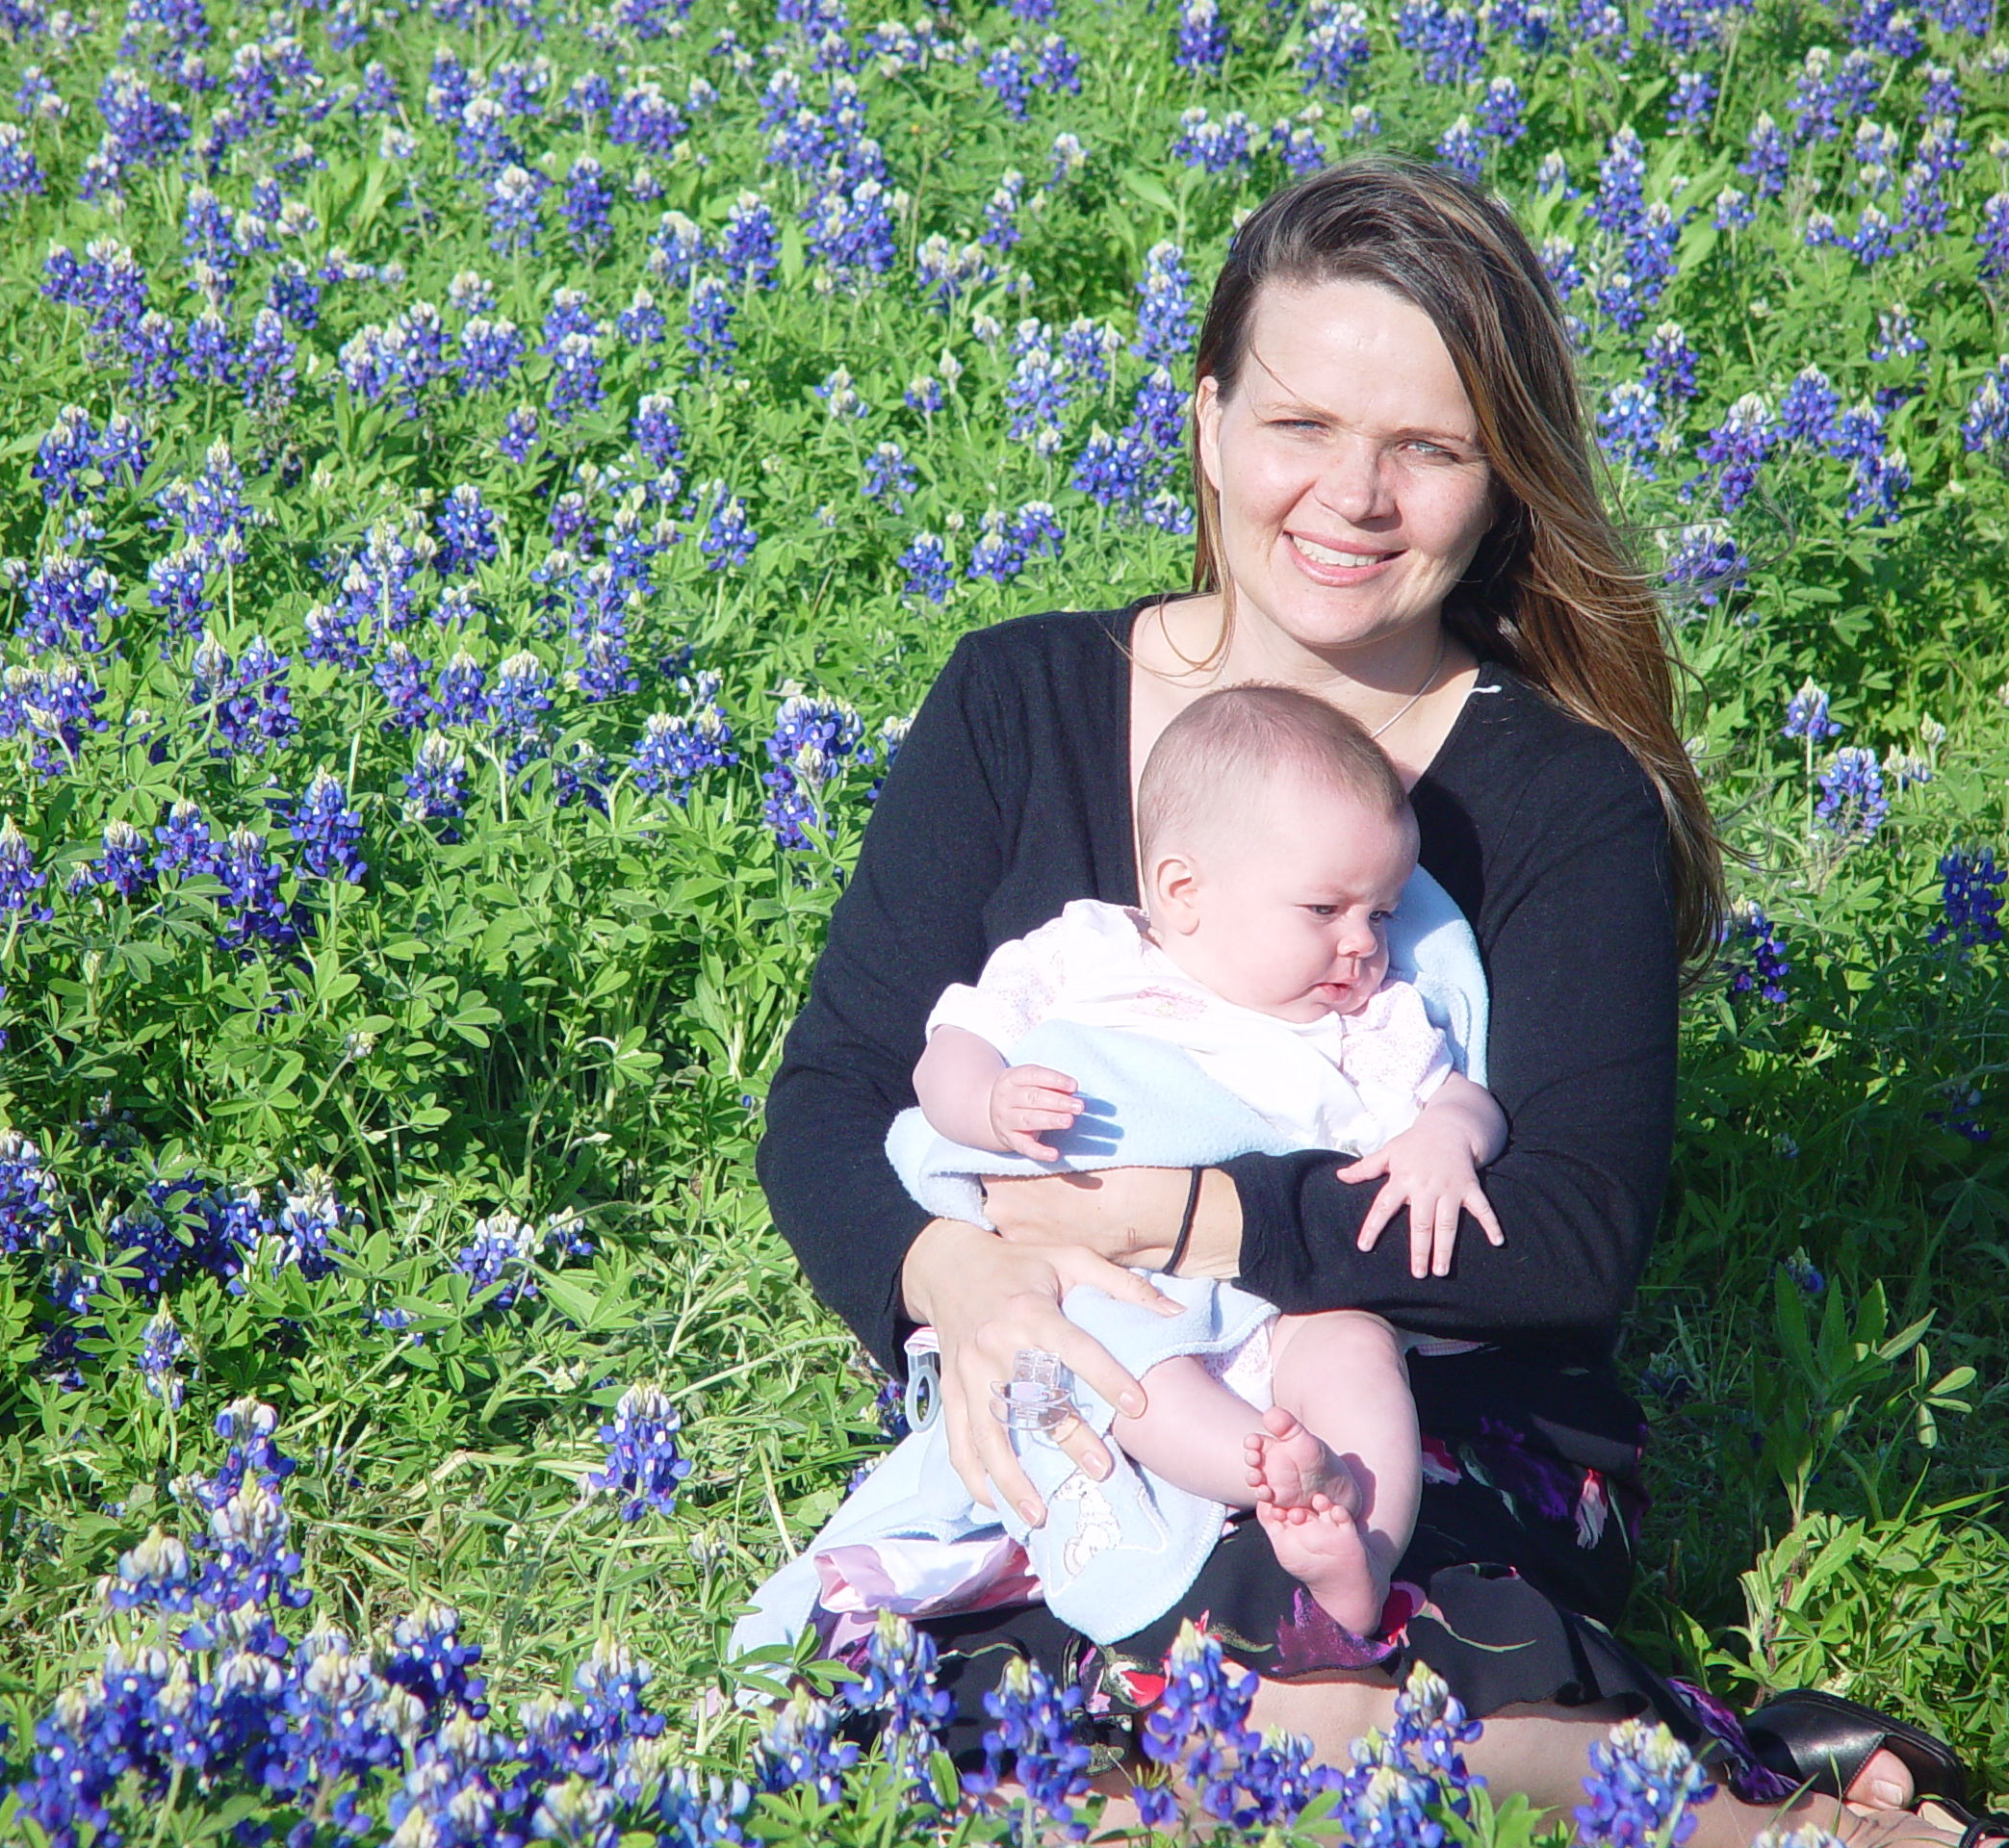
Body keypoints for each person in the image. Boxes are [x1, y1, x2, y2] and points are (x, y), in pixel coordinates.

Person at [756, 156, 1995, 1844]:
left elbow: (1563, 1235)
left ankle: (1741, 1820)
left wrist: (1184, 1213)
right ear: (1206, 426)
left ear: (1503, 484)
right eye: (1300, 428)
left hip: (1434, 1417)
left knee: (1282, 1691)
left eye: (1427, 446)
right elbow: (833, 1095)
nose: (1353, 495)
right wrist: (958, 1281)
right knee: (961, 1707)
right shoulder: (1020, 699)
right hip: (1082, 1386)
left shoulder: (1555, 798)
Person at [908, 684, 1507, 1637]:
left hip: (1287, 1295)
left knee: (1356, 1356)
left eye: (1383, 914)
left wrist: (1445, 1137)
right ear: (1183, 892)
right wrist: (986, 1102)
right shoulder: (1084, 954)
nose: (1362, 944)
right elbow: (949, 1050)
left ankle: (1358, 1545)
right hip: (1128, 1287)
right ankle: (1263, 1470)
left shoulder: (1371, 1014)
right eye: (1325, 908)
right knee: (1125, 1370)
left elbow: (1460, 1099)